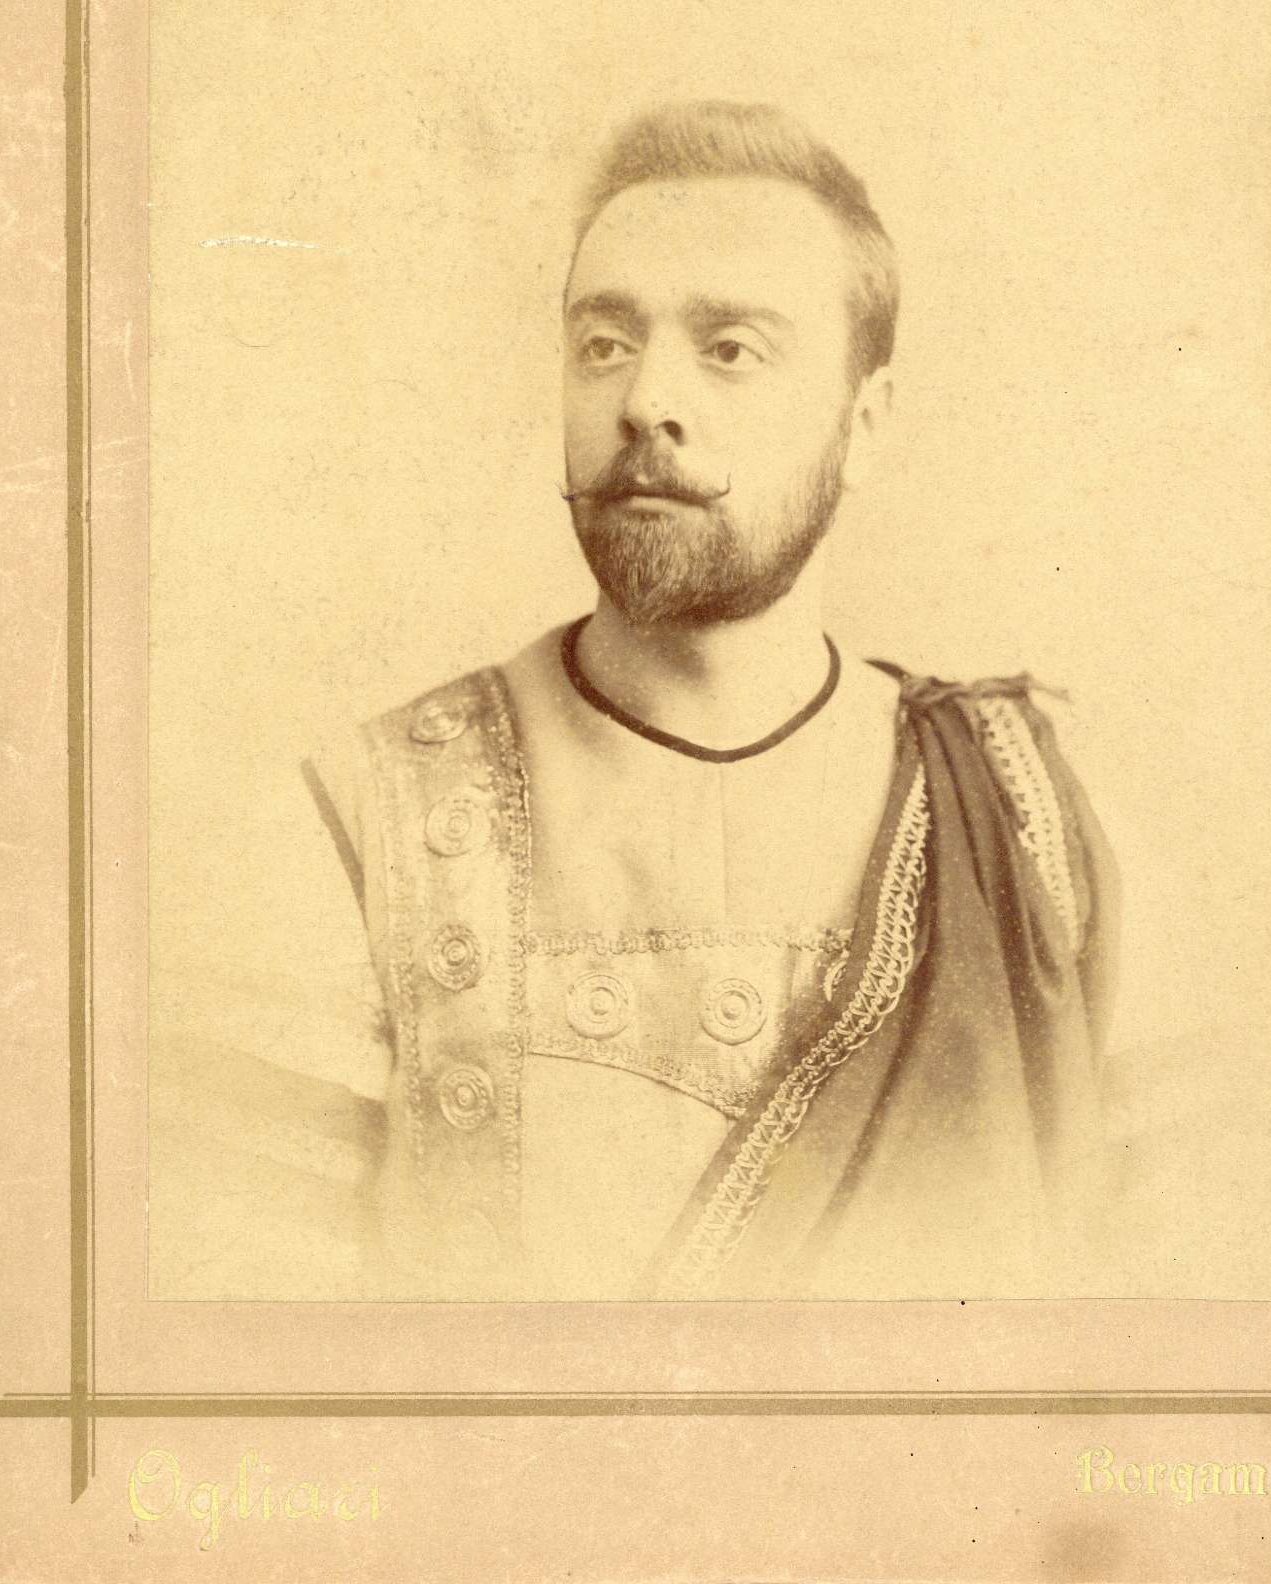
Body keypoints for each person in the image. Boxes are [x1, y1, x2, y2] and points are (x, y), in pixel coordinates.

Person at [306, 100, 1120, 1301]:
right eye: (603, 344)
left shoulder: (1029, 814)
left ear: (864, 423)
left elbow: (1143, 1290)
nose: (644, 400)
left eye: (729, 348)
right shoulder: (359, 813)